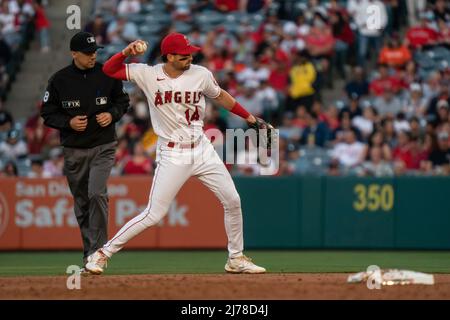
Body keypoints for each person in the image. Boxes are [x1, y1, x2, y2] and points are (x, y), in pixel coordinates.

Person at [85, 32, 267, 274]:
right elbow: (109, 70)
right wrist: (126, 53)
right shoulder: (148, 74)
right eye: (184, 55)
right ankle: (102, 254)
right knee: (154, 214)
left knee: (233, 200)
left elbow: (221, 96)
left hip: (202, 148)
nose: (189, 57)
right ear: (169, 56)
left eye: (191, 53)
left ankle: (235, 258)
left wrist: (250, 118)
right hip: (172, 154)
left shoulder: (200, 74)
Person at [40, 31, 130, 270]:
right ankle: (89, 252)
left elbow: (123, 101)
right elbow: (47, 113)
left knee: (96, 193)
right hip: (74, 149)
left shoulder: (107, 73)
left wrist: (111, 114)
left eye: (95, 52)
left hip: (103, 145)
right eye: (88, 53)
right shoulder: (59, 80)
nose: (93, 56)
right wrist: (67, 123)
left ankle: (99, 252)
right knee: (81, 203)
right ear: (74, 53)